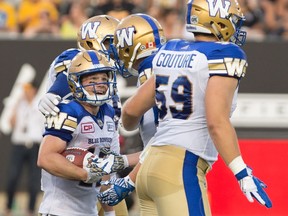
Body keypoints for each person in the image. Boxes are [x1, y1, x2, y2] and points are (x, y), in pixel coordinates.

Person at [99, 0, 273, 215]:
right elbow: (216, 122)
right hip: (180, 168)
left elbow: (131, 111)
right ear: (217, 20)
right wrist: (242, 173)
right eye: (234, 21)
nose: (236, 28)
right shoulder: (224, 54)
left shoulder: (171, 49)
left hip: (148, 172)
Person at [37, 50, 127, 216]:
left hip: (89, 210)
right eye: (93, 80)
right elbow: (45, 158)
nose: (100, 84)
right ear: (75, 82)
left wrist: (110, 213)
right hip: (60, 211)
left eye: (104, 79)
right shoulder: (68, 110)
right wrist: (85, 174)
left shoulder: (108, 112)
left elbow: (107, 167)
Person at [97, 13, 166, 205]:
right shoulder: (159, 64)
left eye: (120, 45)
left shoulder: (151, 70)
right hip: (158, 161)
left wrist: (129, 175)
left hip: (162, 165)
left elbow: (162, 135)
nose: (118, 52)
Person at [5, 80, 44, 216]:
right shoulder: (19, 105)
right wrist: (15, 104)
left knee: (34, 179)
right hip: (19, 146)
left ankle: (30, 209)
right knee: (13, 176)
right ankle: (8, 207)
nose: (25, 91)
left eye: (28, 88)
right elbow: (11, 123)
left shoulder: (40, 105)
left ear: (34, 90)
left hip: (34, 146)